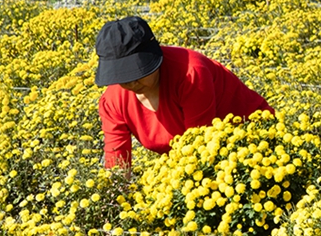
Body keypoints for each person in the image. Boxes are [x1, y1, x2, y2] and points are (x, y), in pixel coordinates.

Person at [96, 14, 270, 162]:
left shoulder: (190, 73)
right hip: (198, 161)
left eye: (138, 72)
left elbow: (200, 148)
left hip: (256, 141)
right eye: (123, 77)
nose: (132, 83)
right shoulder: (113, 100)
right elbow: (117, 164)